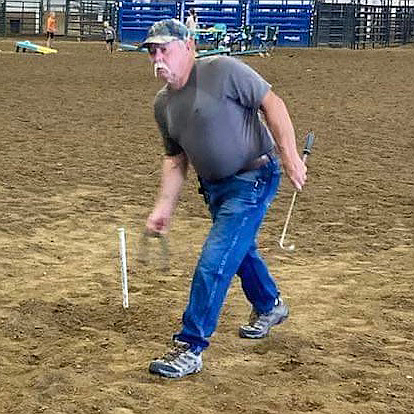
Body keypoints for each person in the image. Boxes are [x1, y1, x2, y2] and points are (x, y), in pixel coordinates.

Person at [143, 19, 307, 379]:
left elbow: (273, 104)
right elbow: (175, 159)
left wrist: (291, 156)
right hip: (215, 189)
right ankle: (270, 305)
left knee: (215, 260)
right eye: (152, 51)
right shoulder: (163, 105)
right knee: (239, 248)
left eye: (164, 49)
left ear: (188, 47)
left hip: (254, 178)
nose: (157, 58)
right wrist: (163, 209)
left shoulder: (224, 71)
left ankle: (190, 346)